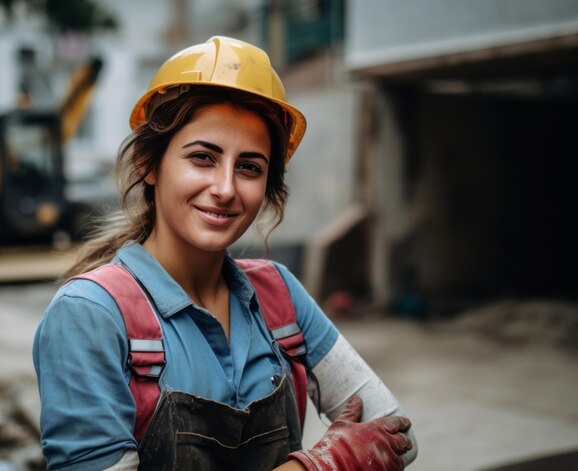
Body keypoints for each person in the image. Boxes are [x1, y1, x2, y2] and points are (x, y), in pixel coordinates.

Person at [33, 36, 418, 471]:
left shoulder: (279, 297)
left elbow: (395, 434)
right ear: (149, 163)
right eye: (202, 158)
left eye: (250, 167)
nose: (226, 189)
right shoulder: (90, 314)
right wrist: (318, 467)